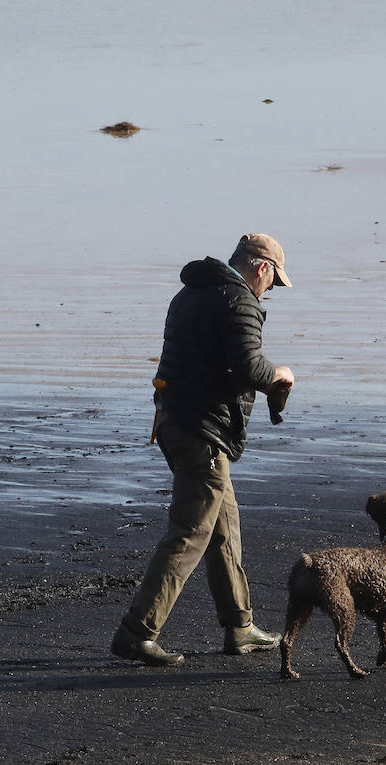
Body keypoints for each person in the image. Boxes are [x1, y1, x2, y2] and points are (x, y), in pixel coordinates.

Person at [109, 233, 296, 666]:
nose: (270, 290)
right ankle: (137, 632)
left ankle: (240, 626)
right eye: (273, 282)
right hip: (201, 430)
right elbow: (251, 367)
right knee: (191, 531)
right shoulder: (239, 299)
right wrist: (282, 374)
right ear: (262, 268)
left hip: (173, 419)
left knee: (223, 527)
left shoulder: (191, 293)